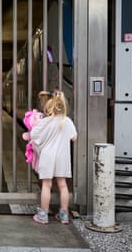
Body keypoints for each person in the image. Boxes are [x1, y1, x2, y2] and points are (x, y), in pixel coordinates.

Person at [29, 91, 77, 225]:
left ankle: (43, 215)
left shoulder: (46, 121)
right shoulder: (67, 121)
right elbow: (74, 138)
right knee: (62, 185)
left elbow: (33, 134)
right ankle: (64, 215)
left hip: (47, 157)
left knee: (47, 185)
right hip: (62, 157)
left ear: (49, 108)